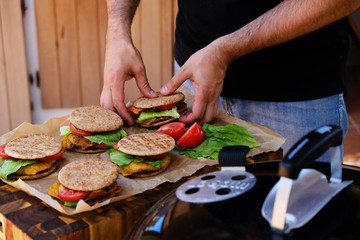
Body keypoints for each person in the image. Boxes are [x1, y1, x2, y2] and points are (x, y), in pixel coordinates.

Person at [101, 0, 360, 161]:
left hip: (294, 97)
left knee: (297, 223)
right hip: (192, 80)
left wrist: (225, 51)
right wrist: (117, 33)